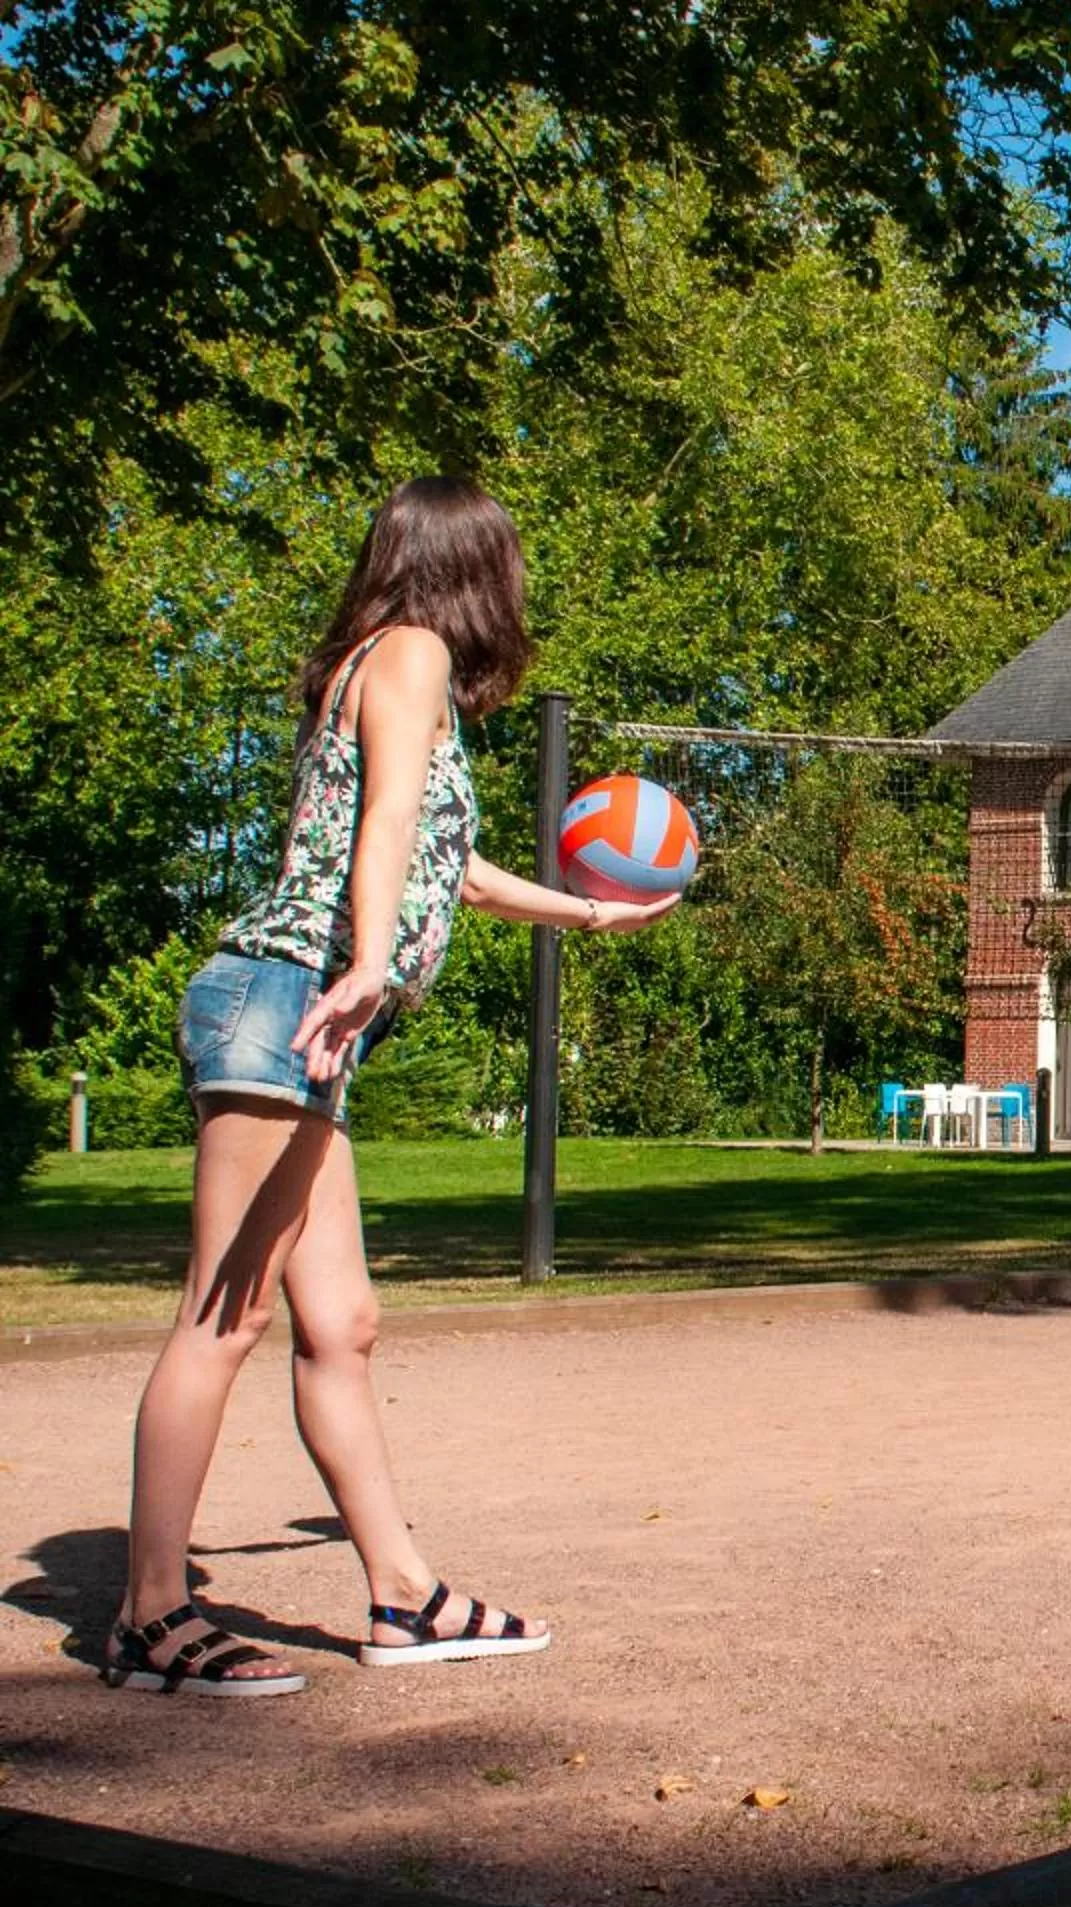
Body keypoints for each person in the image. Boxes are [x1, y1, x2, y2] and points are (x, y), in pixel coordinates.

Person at [102, 477, 679, 1698]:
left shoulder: (376, 667)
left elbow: (447, 864)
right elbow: (392, 819)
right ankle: (151, 1616)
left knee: (341, 1327)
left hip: (301, 1020)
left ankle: (403, 1597)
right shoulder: (410, 650)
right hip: (286, 998)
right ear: (476, 570)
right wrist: (366, 965)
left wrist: (587, 912)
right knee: (226, 1317)